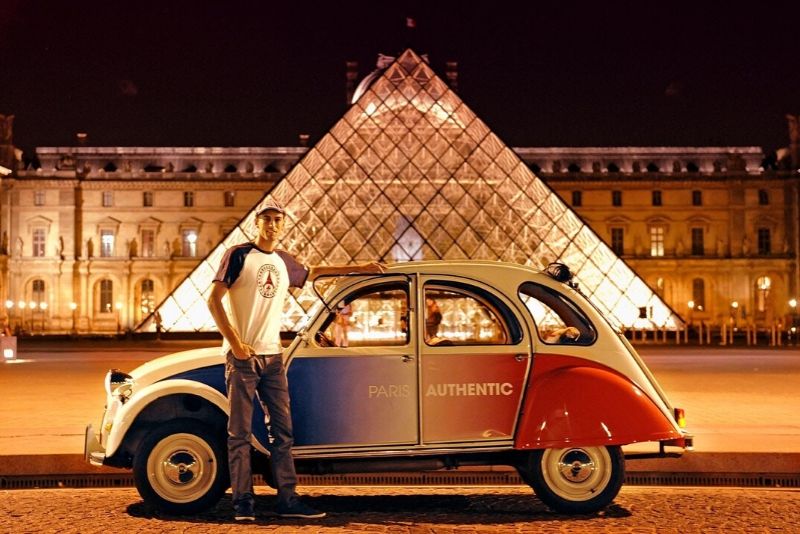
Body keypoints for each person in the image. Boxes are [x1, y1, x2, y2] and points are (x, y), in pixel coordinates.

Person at [207, 199, 384, 521]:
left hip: (274, 357)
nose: (272, 225)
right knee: (239, 435)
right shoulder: (238, 255)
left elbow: (314, 272)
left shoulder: (284, 261)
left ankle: (288, 500)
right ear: (256, 223)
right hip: (243, 358)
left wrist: (362, 269)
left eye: (278, 220)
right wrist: (236, 344)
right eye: (267, 219)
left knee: (283, 433)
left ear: (284, 225)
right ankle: (243, 504)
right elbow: (213, 300)